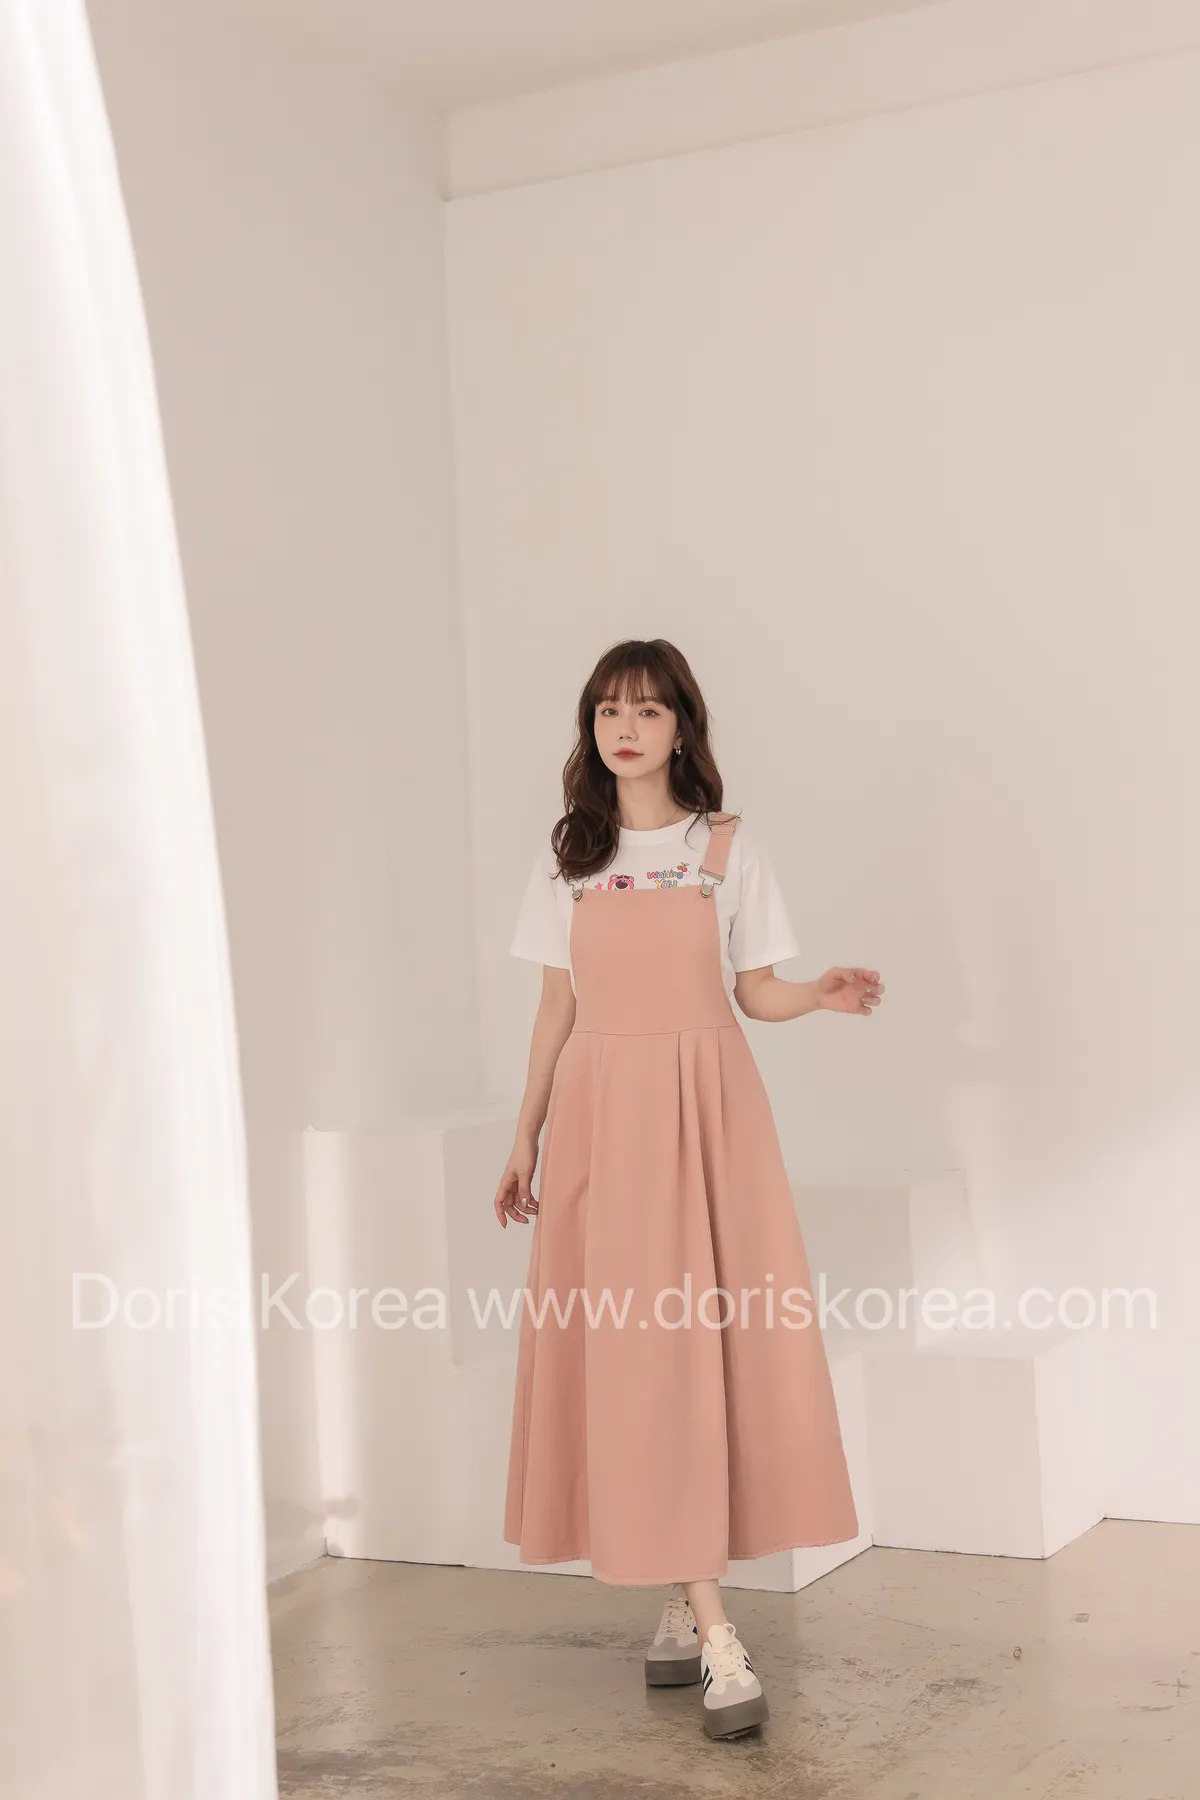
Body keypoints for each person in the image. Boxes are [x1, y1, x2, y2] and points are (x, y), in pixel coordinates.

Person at [493, 637, 884, 1740]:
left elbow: (754, 992)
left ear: (681, 729)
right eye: (609, 710)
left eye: (650, 710)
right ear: (591, 728)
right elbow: (556, 1009)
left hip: (708, 1112)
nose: (627, 728)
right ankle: (708, 1624)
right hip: (603, 1116)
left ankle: (693, 1610)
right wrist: (525, 1137)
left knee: (704, 1347)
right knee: (638, 1351)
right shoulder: (568, 858)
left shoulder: (726, 848)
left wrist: (819, 993)